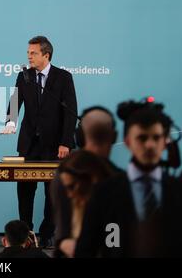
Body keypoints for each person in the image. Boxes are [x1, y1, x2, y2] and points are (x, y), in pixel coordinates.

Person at [75, 101, 182, 257]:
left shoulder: (181, 191)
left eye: (156, 138)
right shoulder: (104, 192)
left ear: (165, 142)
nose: (149, 145)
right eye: (142, 138)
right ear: (128, 141)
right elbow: (85, 250)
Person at [1, 36, 77, 247]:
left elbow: (71, 113)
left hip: (55, 145)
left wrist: (66, 143)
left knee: (52, 191)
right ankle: (26, 232)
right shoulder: (24, 76)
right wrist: (10, 122)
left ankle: (47, 232)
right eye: (28, 53)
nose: (29, 56)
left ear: (46, 55)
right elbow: (15, 102)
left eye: (33, 53)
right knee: (24, 190)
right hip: (29, 144)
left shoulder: (63, 78)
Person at [51, 106, 122, 256]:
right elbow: (114, 237)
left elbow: (64, 232)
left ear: (79, 136)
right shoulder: (119, 178)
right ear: (114, 136)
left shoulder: (63, 173)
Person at [55, 150, 112, 257]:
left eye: (72, 187)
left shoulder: (111, 210)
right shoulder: (73, 207)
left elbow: (113, 248)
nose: (69, 195)